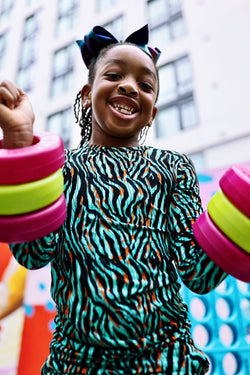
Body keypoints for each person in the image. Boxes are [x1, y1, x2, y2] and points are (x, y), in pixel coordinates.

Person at [0, 25, 227, 374]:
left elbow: (198, 274)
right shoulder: (60, 169)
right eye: (115, 74)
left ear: (152, 112)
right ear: (88, 93)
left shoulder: (174, 168)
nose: (129, 86)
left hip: (168, 362)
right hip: (76, 364)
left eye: (145, 84)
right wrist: (19, 142)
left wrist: (237, 225)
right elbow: (33, 253)